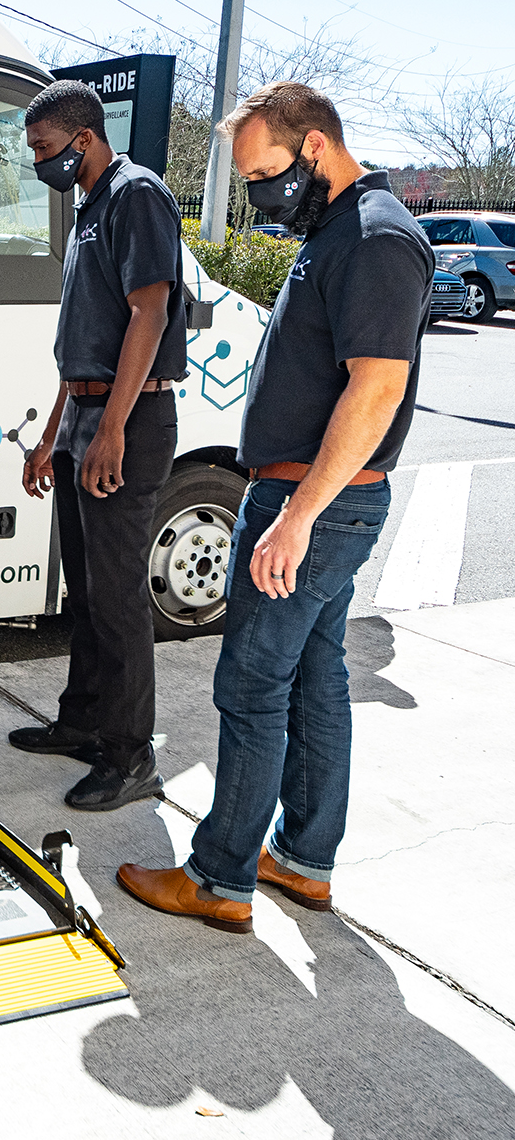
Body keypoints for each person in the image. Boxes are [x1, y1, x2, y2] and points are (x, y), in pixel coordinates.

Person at [118, 83, 431, 932]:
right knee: (315, 681)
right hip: (310, 497)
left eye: (266, 175)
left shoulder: (374, 240)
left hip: (314, 504)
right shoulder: (337, 230)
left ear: (316, 150)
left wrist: (295, 517)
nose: (261, 195)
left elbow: (378, 388)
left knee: (252, 685)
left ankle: (219, 880)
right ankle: (302, 861)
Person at [10, 80, 187, 811]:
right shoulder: (89, 206)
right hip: (85, 413)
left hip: (130, 419)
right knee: (84, 591)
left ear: (83, 138)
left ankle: (129, 754)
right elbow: (83, 339)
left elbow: (152, 311)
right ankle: (83, 721)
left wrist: (111, 427)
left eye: (44, 149)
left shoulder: (136, 194)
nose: (38, 163)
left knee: (117, 599)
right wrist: (54, 431)